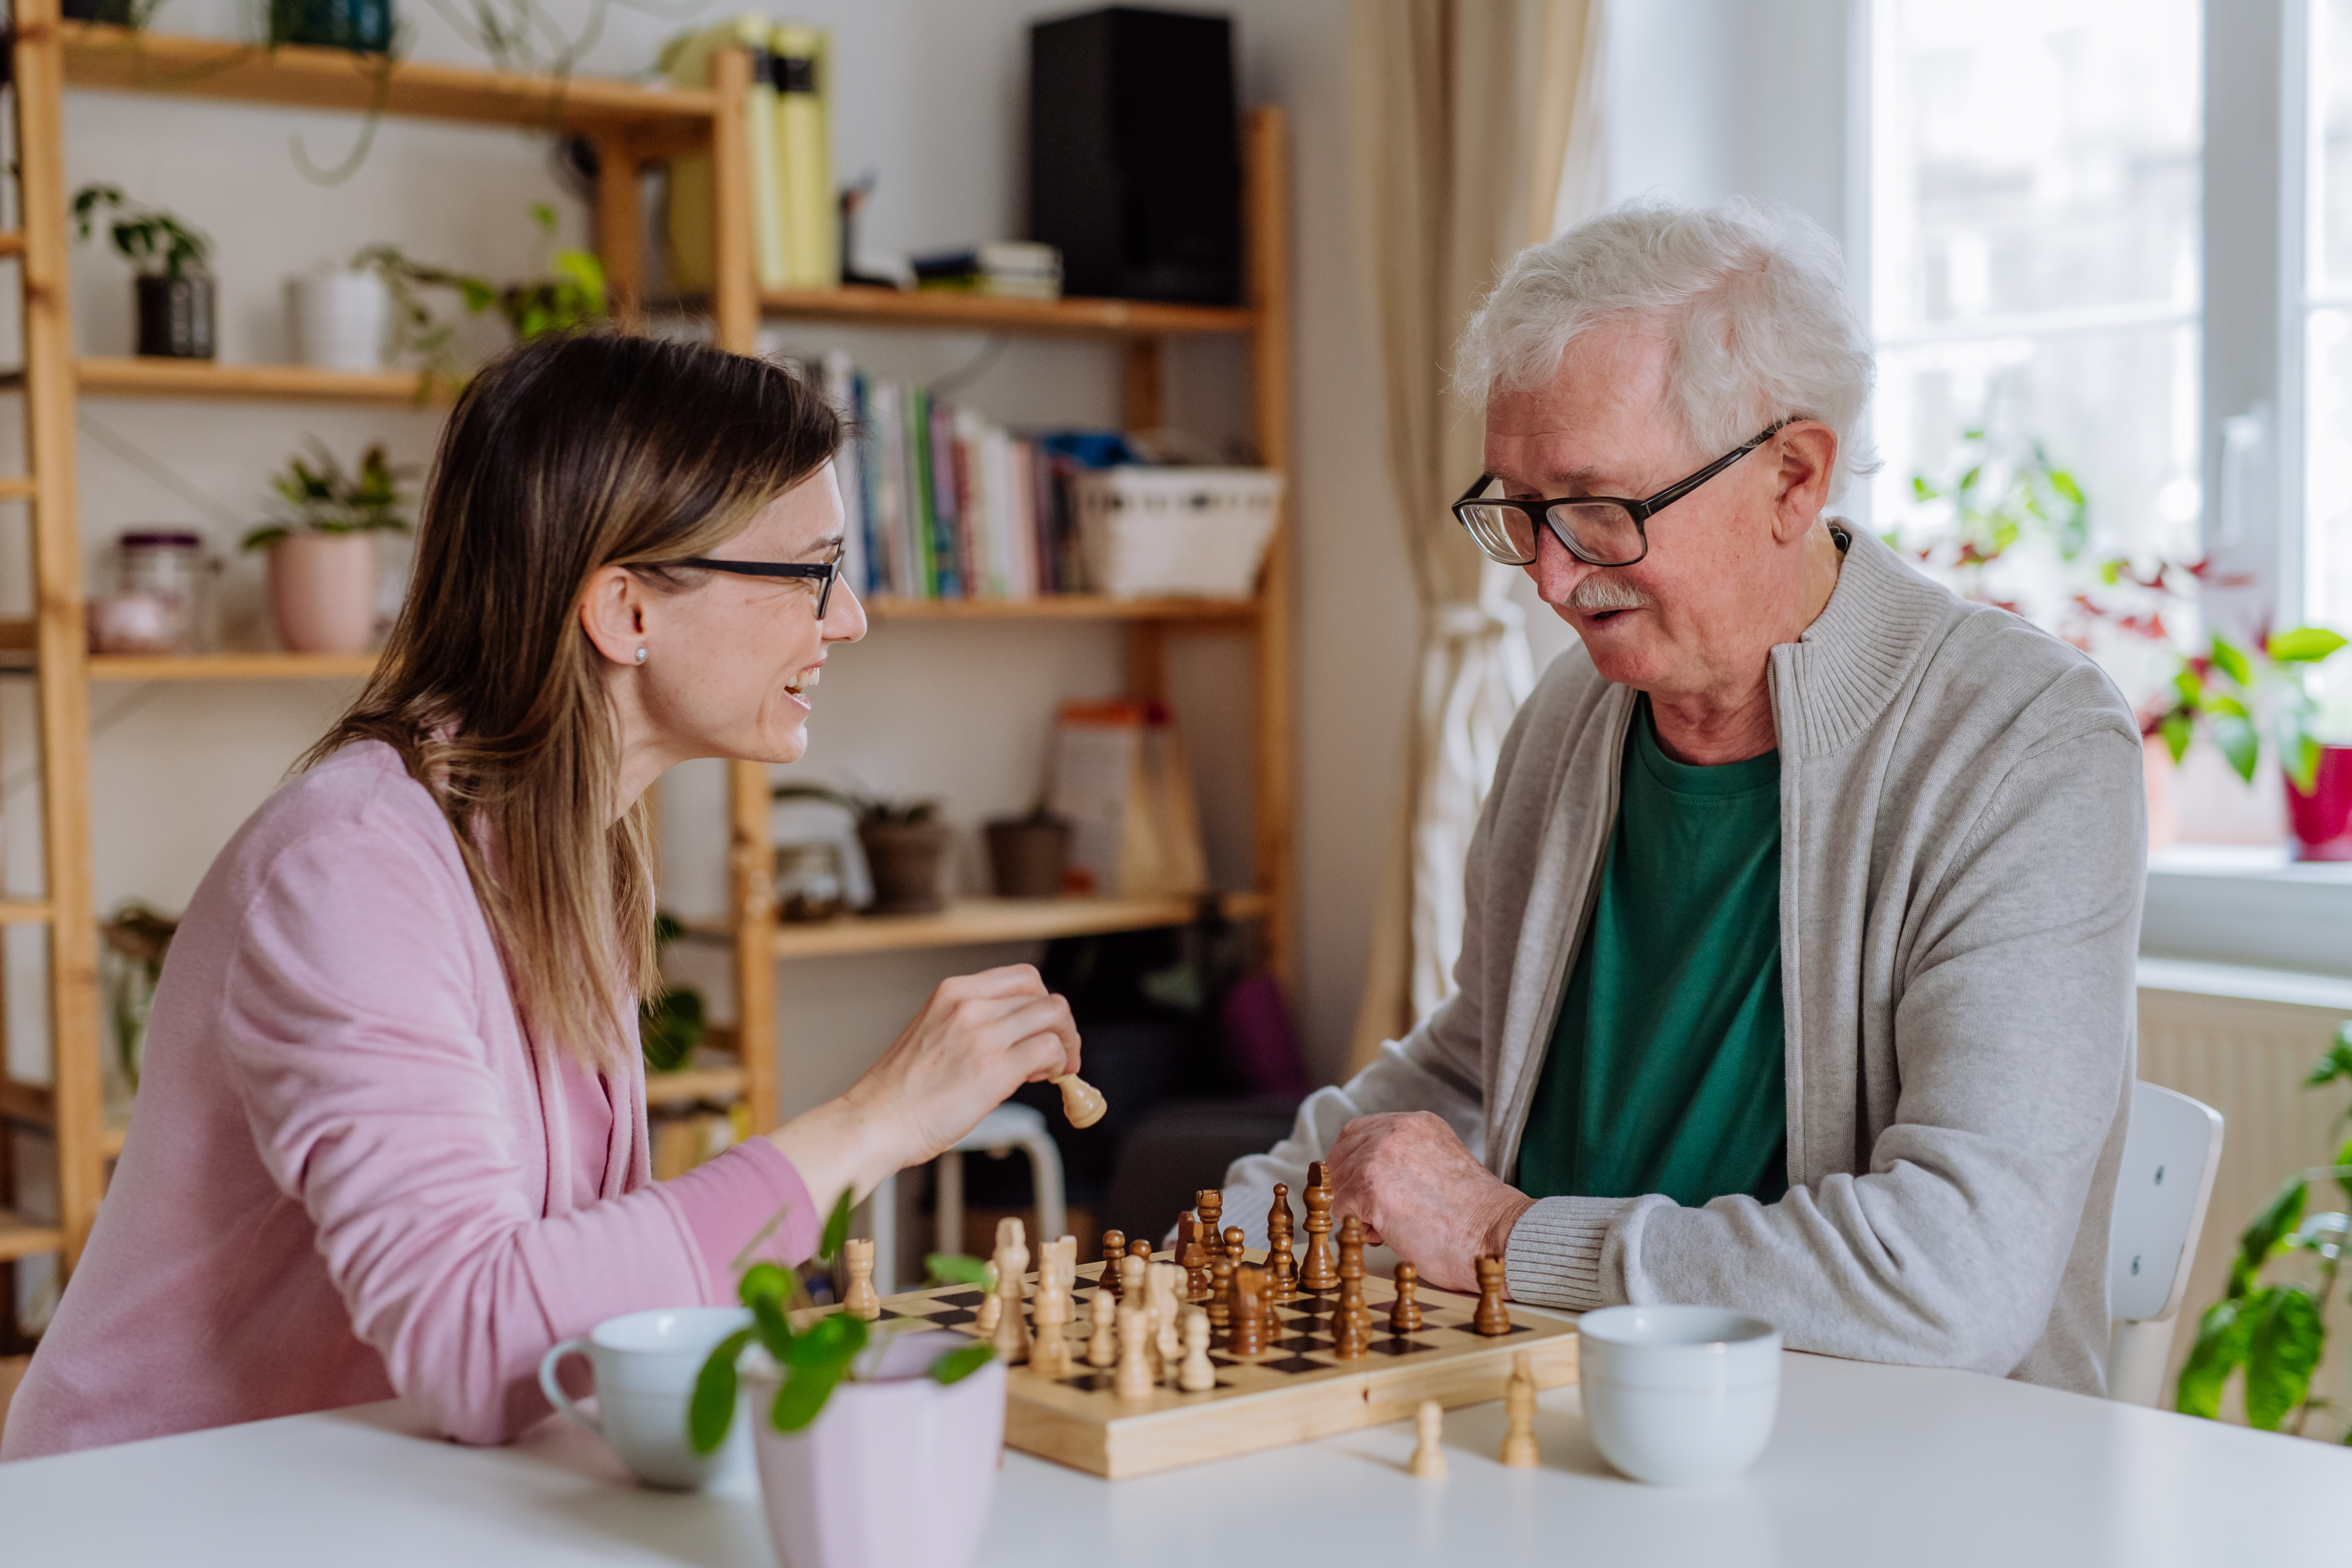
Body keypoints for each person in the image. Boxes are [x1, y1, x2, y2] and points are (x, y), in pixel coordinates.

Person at [2, 333, 1081, 1459]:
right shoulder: (351, 869)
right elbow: (483, 1343)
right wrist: (879, 1123)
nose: (848, 616)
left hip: (372, 1490)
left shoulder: (570, 851)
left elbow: (577, 1319)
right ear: (626, 611)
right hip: (147, 1515)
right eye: (813, 571)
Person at [1222, 198, 2144, 1395]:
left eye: (1603, 510)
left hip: (1879, 1450)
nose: (1553, 576)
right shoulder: (1572, 713)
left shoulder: (2024, 744)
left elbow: (1950, 1275)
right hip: (1547, 1403)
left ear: (1793, 476)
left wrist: (1507, 1234)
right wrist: (1248, 1215)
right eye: (1521, 511)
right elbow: (1481, 1061)